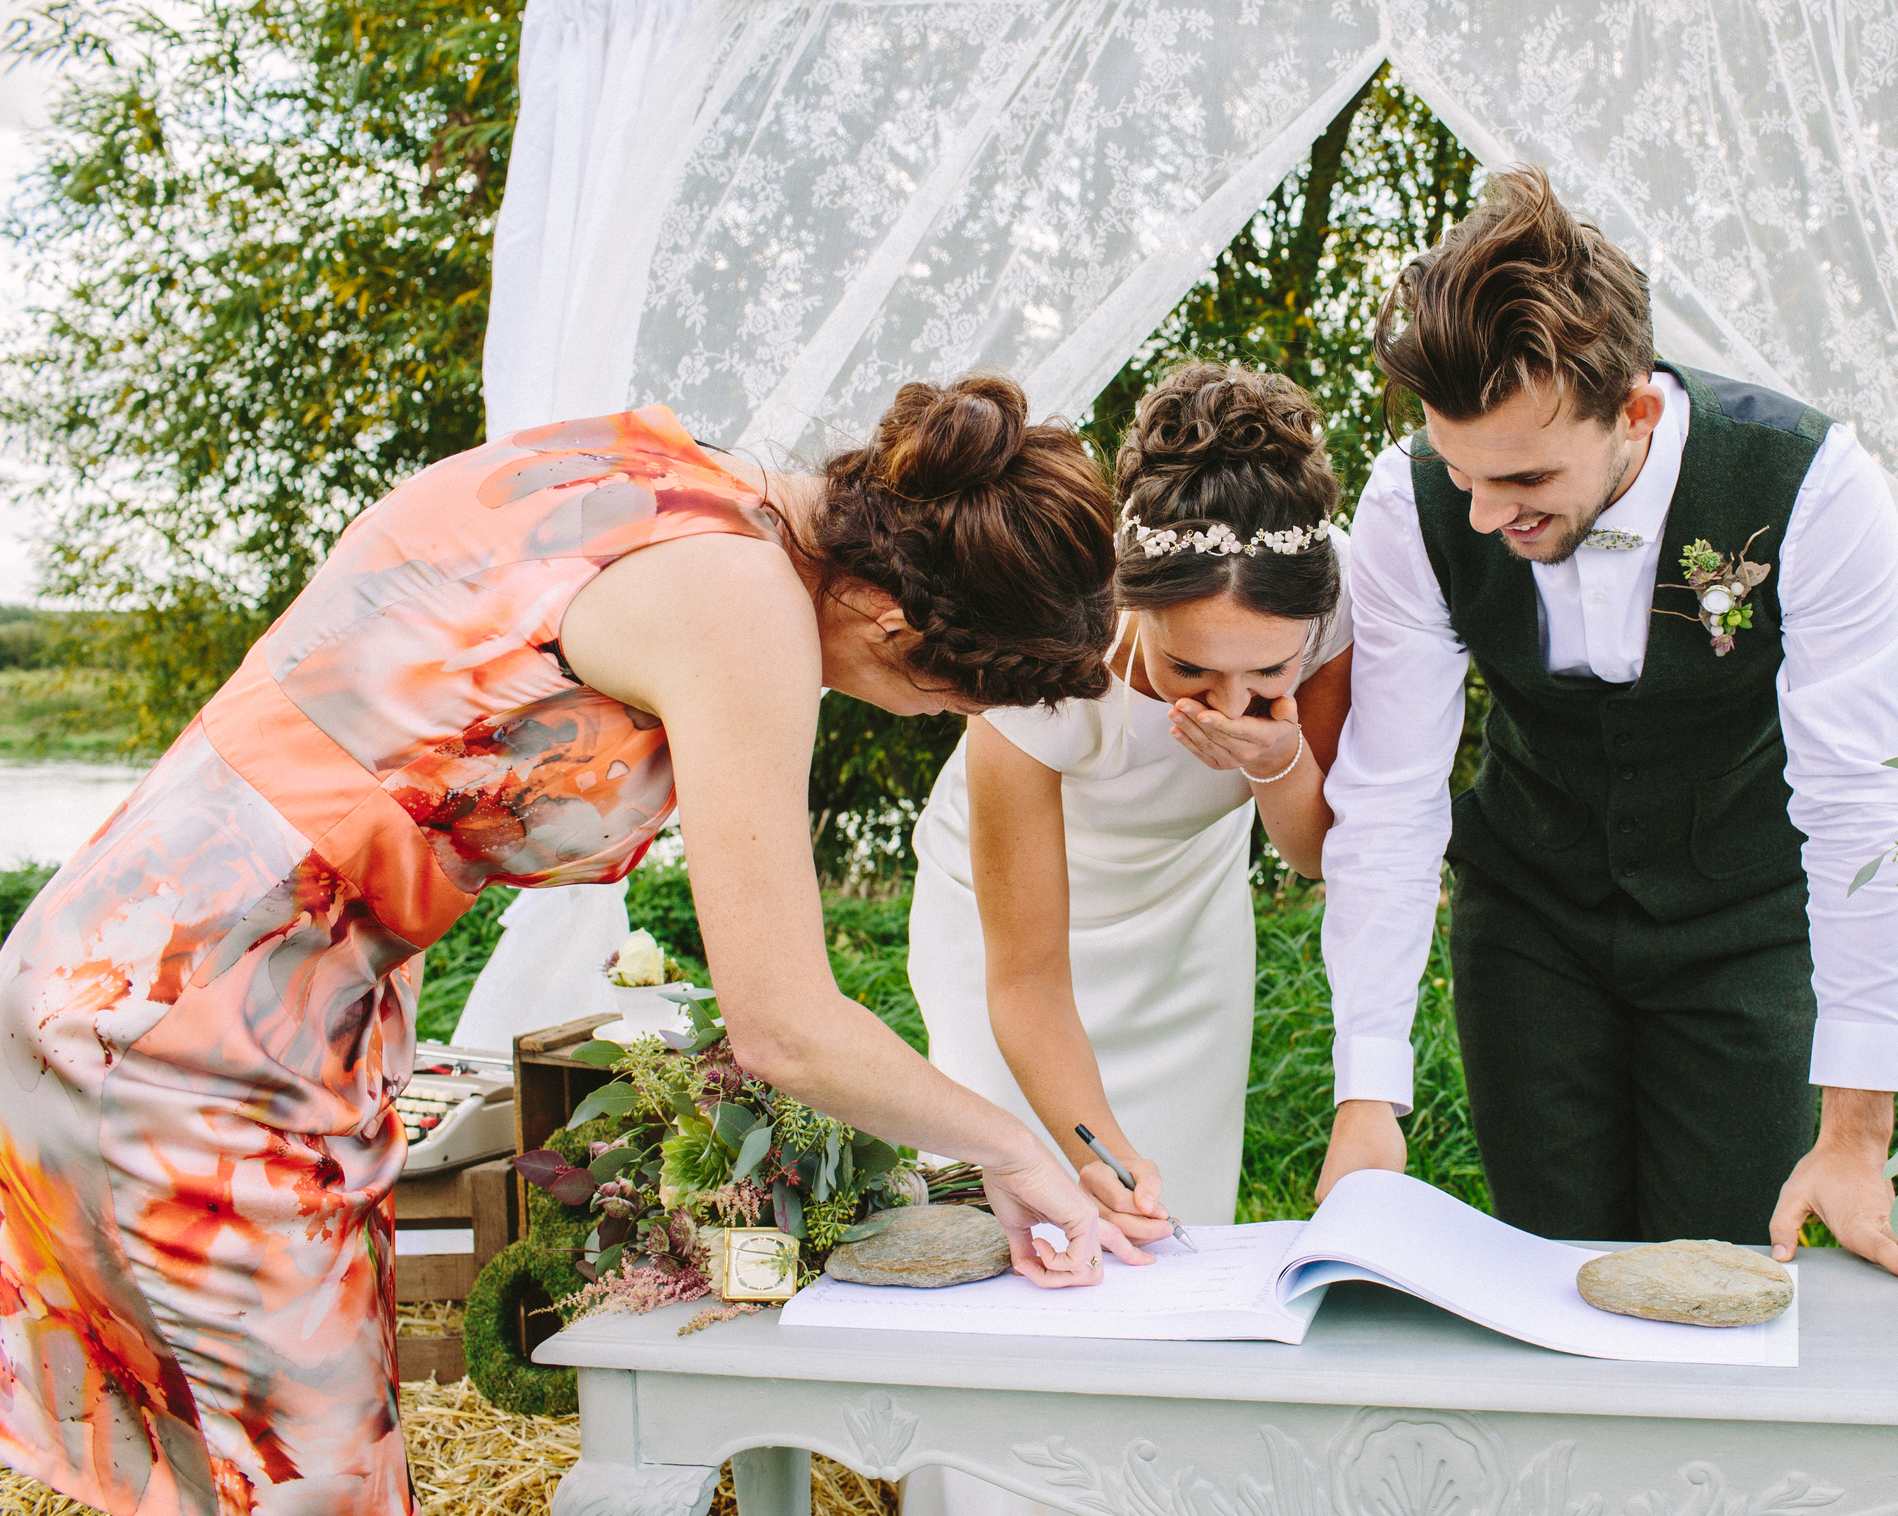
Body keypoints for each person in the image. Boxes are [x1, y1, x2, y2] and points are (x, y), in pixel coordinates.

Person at [0, 377, 1153, 1516]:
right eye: (947, 704)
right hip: (198, 1030)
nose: (929, 722)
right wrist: (1011, 1150)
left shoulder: (661, 465)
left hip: (151, 963)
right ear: (895, 629)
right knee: (323, 1493)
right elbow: (785, 1026)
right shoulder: (743, 604)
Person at [1313, 166, 1898, 1285]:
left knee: (1722, 1275)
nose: (1484, 514)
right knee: (1554, 1278)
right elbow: (1388, 802)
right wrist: (1365, 1095)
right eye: (1462, 473)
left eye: (1525, 476)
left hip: (1744, 922)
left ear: (1631, 408)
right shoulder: (1407, 502)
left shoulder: (1812, 487)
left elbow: (1857, 804)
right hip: (1530, 923)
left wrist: (1860, 1130)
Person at [909, 362, 1352, 1237]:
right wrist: (1098, 1153)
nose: (1229, 705)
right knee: (1016, 1216)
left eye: (1268, 671)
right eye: (1189, 667)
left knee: (1175, 1214)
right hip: (1003, 929)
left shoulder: (1325, 600)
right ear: (1133, 604)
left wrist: (1278, 760)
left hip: (1185, 918)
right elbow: (1027, 983)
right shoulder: (1042, 655)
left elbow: (1314, 854)